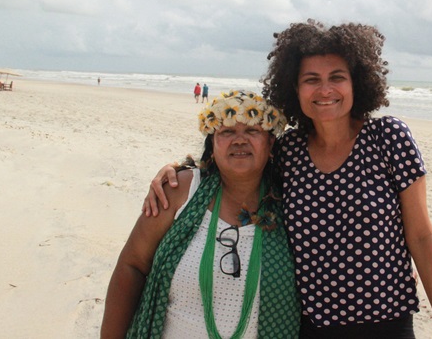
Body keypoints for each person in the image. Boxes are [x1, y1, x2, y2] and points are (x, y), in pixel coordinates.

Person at [144, 20, 432, 338]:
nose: (325, 90)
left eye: (337, 77)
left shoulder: (388, 138)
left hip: (388, 321)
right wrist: (176, 169)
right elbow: (235, 167)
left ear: (356, 83)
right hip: (311, 326)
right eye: (311, 80)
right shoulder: (290, 151)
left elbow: (421, 235)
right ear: (295, 88)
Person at [101, 90, 300, 338]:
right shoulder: (180, 190)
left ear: (270, 144)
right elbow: (132, 266)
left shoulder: (292, 202)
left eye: (252, 130)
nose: (239, 140)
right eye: (227, 131)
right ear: (212, 144)